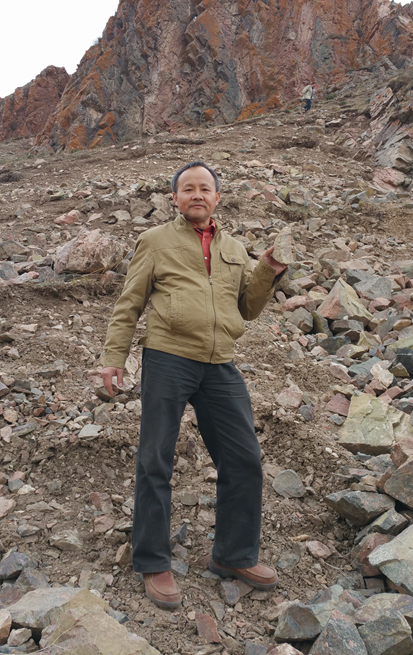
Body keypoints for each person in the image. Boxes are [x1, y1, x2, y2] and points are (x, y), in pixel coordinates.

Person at [101, 161, 287, 610]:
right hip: (168, 357)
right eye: (188, 188)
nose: (197, 195)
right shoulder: (155, 241)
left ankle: (233, 555)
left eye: (205, 188)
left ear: (217, 198)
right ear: (175, 198)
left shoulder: (234, 248)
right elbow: (130, 302)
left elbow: (247, 309)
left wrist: (267, 270)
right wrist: (113, 358)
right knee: (156, 459)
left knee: (244, 458)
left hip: (220, 362)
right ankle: (152, 560)